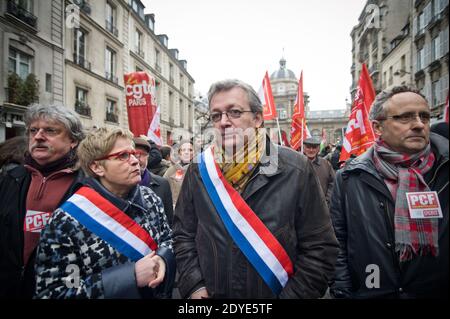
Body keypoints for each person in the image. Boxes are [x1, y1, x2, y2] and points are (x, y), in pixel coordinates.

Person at [173, 79, 338, 299]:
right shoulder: (198, 169)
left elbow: (320, 248)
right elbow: (183, 235)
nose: (223, 122)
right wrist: (194, 285)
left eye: (234, 112)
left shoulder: (295, 168)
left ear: (258, 118)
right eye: (216, 115)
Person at [330, 86, 448, 299]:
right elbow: (338, 241)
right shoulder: (349, 176)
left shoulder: (445, 169)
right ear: (378, 127)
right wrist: (344, 291)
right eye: (405, 118)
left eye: (424, 116)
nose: (419, 125)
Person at [34, 127, 175, 298]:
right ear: (97, 167)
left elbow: (168, 239)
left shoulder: (150, 197)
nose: (135, 161)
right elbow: (55, 292)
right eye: (123, 156)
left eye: (133, 153)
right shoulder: (67, 220)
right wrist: (130, 278)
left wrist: (162, 258)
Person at [0, 104, 85, 298]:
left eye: (50, 130)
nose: (38, 136)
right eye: (33, 130)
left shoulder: (87, 185)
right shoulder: (11, 178)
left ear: (73, 140)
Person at [134, 137, 174, 225]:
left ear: (148, 157)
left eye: (142, 154)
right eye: (134, 154)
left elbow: (169, 221)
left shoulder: (162, 184)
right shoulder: (119, 184)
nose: (137, 159)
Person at [303, 137, 335, 207]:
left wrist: (327, 200)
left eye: (314, 147)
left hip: (322, 207)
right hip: (301, 208)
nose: (311, 150)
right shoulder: (297, 163)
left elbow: (333, 183)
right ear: (304, 148)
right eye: (308, 147)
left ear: (318, 149)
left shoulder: (326, 164)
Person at [163, 140, 194, 206]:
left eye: (190, 150)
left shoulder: (198, 170)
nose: (186, 152)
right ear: (179, 153)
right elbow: (163, 189)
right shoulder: (172, 170)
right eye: (183, 150)